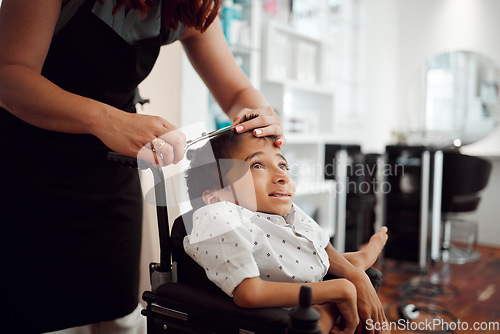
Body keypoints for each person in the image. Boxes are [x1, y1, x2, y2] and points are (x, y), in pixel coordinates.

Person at [0, 0, 284, 333]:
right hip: (26, 167)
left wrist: (258, 113)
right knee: (27, 308)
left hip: (110, 174)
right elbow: (8, 75)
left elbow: (236, 91)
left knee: (116, 305)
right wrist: (105, 120)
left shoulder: (191, 9)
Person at [183, 118, 390, 334]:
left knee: (333, 262)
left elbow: (320, 245)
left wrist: (351, 277)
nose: (282, 175)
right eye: (257, 165)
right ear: (216, 196)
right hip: (283, 315)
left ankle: (355, 261)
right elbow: (248, 293)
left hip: (310, 278)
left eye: (282, 165)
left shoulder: (281, 210)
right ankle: (345, 280)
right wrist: (335, 291)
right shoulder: (218, 215)